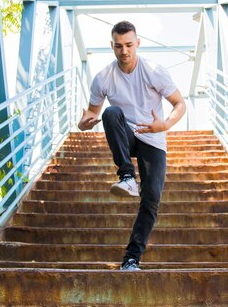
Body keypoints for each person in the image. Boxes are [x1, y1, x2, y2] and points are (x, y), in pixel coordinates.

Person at [77, 20, 186, 271]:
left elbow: (180, 103)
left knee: (151, 200)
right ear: (112, 46)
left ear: (137, 43)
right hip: (127, 136)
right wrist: (84, 123)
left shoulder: (154, 70)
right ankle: (127, 175)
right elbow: (91, 114)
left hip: (153, 137)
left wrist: (165, 125)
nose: (124, 51)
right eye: (118, 46)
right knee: (110, 113)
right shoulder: (104, 77)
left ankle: (131, 259)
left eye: (128, 45)